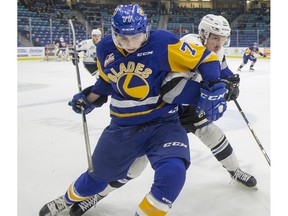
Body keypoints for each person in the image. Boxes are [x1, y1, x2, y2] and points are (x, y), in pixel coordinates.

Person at [39, 4, 228, 216]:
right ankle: (65, 200)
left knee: (173, 172)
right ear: (113, 34)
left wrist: (214, 86)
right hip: (122, 127)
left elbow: (206, 58)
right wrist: (88, 98)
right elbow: (107, 81)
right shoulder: (105, 49)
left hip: (163, 123)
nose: (130, 44)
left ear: (145, 30)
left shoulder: (163, 42)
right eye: (123, 38)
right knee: (95, 181)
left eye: (136, 37)